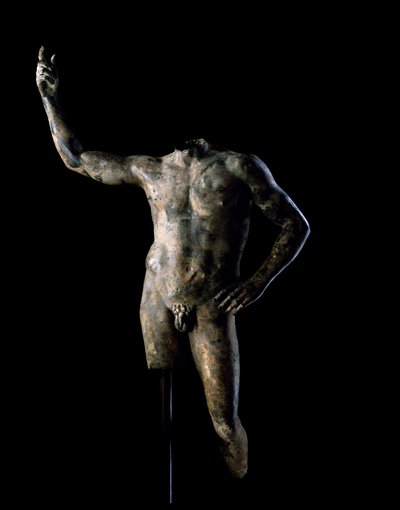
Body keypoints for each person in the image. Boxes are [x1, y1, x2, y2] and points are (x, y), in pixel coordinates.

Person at [36, 46, 310, 478]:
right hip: (158, 297)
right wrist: (49, 99)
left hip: (211, 301)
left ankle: (242, 481)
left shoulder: (237, 166)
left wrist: (256, 283)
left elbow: (295, 224)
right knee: (161, 414)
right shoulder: (151, 169)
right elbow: (77, 160)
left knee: (223, 423)